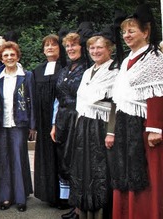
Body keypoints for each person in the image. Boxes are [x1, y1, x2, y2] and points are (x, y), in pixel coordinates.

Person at [109, 5, 163, 218]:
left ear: (146, 32)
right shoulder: (126, 60)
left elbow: (157, 93)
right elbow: (118, 98)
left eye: (131, 30)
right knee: (124, 172)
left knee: (146, 177)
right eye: (124, 32)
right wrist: (112, 129)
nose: (126, 35)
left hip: (143, 127)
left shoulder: (154, 57)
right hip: (125, 124)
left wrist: (155, 128)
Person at [68, 30, 119, 219]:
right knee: (84, 169)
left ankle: (101, 213)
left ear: (109, 49)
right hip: (84, 124)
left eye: (99, 47)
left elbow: (116, 104)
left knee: (100, 171)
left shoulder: (115, 71)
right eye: (92, 47)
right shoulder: (89, 71)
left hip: (102, 126)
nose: (95, 51)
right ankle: (85, 211)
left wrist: (111, 132)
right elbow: (83, 100)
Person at [51, 29, 91, 215]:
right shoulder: (66, 68)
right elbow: (58, 99)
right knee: (65, 161)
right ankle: (70, 203)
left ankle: (78, 206)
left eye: (73, 45)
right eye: (67, 46)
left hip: (79, 118)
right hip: (62, 119)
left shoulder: (87, 68)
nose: (70, 48)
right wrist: (54, 124)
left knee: (77, 161)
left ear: (82, 47)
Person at [0, 42, 34, 212]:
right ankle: (5, 197)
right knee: (3, 159)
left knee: (18, 159)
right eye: (6, 55)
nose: (9, 58)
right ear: (1, 59)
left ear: (18, 56)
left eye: (12, 55)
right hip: (1, 124)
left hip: (19, 123)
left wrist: (33, 125)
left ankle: (20, 198)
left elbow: (33, 100)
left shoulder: (27, 76)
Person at [32, 34, 66, 208]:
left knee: (61, 157)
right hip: (43, 122)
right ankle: (49, 195)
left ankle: (63, 197)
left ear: (60, 48)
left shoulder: (65, 68)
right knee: (46, 157)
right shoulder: (37, 70)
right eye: (47, 45)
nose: (50, 48)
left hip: (60, 120)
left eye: (54, 45)